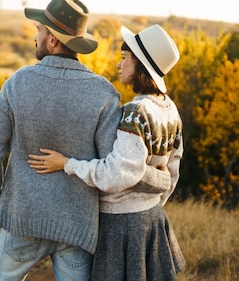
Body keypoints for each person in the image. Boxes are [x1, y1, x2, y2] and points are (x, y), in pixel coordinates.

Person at [0, 0, 170, 281]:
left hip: (22, 220)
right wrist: (159, 179)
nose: (36, 36)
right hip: (76, 228)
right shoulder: (103, 93)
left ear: (53, 40)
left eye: (40, 30)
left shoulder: (17, 84)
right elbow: (113, 168)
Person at [29, 24, 186, 281]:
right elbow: (172, 172)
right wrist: (151, 203)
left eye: (125, 58)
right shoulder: (169, 108)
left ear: (141, 66)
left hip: (122, 224)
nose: (119, 65)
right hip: (153, 218)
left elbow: (116, 174)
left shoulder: (136, 112)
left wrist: (67, 163)